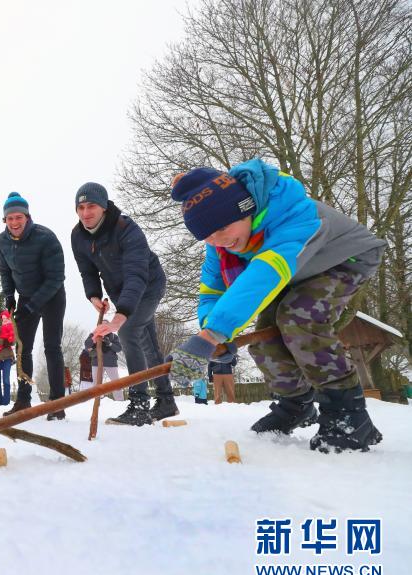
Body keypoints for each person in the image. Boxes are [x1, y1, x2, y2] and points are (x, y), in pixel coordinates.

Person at [168, 159, 386, 453]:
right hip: (299, 272)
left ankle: (348, 415)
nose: (218, 241)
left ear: (245, 209)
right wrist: (213, 332)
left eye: (222, 228)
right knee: (264, 338)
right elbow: (212, 291)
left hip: (344, 259)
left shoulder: (291, 213)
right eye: (207, 235)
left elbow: (265, 274)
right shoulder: (219, 245)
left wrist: (212, 335)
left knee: (299, 319)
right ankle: (296, 405)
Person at [71, 182, 176, 426]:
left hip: (148, 286)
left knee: (128, 331)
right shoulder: (78, 236)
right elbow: (87, 271)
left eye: (92, 206)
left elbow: (136, 275)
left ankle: (139, 404)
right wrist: (93, 296)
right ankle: (166, 400)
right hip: (119, 292)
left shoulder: (126, 229)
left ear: (104, 207)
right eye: (80, 207)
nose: (86, 213)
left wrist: (120, 317)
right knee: (148, 344)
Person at [0, 192, 67, 420]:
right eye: (10, 218)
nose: (15, 222)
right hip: (26, 296)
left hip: (52, 296)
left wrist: (32, 306)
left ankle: (57, 403)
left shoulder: (45, 237)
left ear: (27, 217)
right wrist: (9, 295)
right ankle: (23, 400)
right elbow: (5, 270)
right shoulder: (3, 240)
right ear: (5, 220)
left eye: (19, 217)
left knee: (52, 347)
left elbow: (56, 277)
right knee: (22, 348)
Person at [83, 332, 125, 401]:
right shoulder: (93, 335)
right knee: (96, 383)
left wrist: (109, 343)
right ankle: (97, 399)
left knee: (116, 382)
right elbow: (87, 346)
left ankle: (119, 401)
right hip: (96, 363)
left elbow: (118, 349)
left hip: (111, 363)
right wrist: (93, 340)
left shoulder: (113, 336)